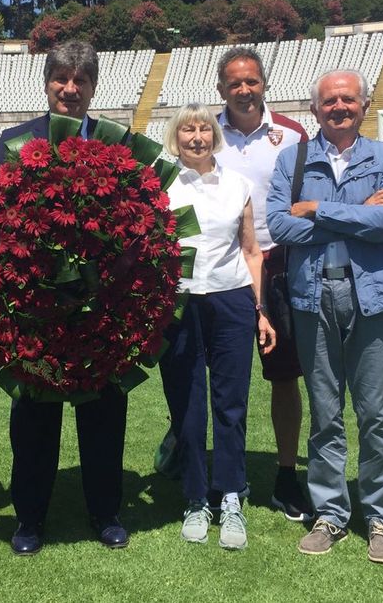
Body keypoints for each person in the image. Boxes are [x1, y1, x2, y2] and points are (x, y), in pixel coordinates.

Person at [267, 69, 383, 564]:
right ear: (315, 110)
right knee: (325, 411)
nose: (339, 108)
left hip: (371, 295)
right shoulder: (293, 159)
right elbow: (278, 225)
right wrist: (351, 213)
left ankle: (379, 517)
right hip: (312, 296)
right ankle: (330, 512)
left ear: (364, 105)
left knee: (375, 412)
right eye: (329, 101)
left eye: (348, 100)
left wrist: (317, 210)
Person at [0, 40, 130, 555]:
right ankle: (29, 517)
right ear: (46, 82)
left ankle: (106, 511)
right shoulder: (14, 141)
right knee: (34, 414)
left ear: (93, 87)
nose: (70, 90)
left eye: (81, 81)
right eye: (61, 79)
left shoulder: (121, 143)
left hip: (103, 309)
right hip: (36, 309)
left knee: (103, 413)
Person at [160, 103, 276, 550]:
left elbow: (251, 251)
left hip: (230, 300)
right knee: (187, 401)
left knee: (231, 403)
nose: (196, 137)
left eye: (204, 129)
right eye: (187, 129)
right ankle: (194, 496)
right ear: (176, 137)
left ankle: (230, 495)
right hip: (180, 300)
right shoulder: (162, 185)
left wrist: (260, 309)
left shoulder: (238, 184)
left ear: (215, 135)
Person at [213, 46, 312, 520]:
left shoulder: (291, 135)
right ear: (221, 89)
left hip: (278, 263)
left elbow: (309, 197)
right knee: (213, 373)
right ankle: (204, 460)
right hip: (219, 267)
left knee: (284, 375)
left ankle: (287, 474)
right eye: (235, 83)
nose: (244, 89)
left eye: (251, 81)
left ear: (264, 84)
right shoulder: (204, 132)